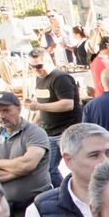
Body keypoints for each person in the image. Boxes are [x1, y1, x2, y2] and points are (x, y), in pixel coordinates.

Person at [27, 47, 82, 189]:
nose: (36, 70)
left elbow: (67, 104)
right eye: (32, 67)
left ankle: (73, 193)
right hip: (49, 132)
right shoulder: (40, 79)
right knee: (49, 169)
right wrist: (31, 125)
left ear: (48, 61)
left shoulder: (60, 78)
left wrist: (38, 107)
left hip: (66, 131)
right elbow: (45, 106)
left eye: (39, 66)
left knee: (77, 167)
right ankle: (64, 192)